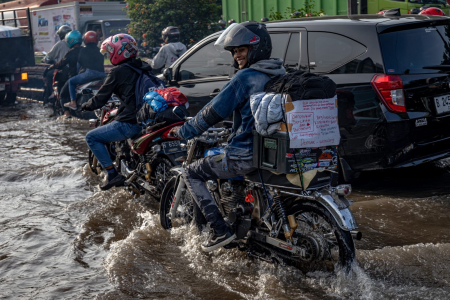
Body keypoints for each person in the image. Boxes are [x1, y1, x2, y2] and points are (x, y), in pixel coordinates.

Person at [170, 21, 286, 252]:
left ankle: (220, 230)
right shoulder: (280, 72)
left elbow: (212, 112)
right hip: (274, 151)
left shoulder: (246, 78)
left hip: (246, 153)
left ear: (256, 48)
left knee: (192, 172)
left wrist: (185, 130)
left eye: (241, 50)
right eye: (234, 51)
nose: (237, 55)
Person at [81, 34, 156, 190]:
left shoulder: (118, 72)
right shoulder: (144, 67)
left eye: (110, 52)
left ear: (117, 51)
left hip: (131, 122)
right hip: (149, 118)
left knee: (92, 137)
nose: (109, 56)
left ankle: (112, 174)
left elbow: (100, 98)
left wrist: (86, 105)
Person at [63, 31, 106, 110]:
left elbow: (79, 65)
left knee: (71, 82)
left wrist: (77, 73)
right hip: (102, 74)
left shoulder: (83, 50)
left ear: (85, 39)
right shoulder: (100, 50)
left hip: (89, 74)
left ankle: (73, 102)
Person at [47, 30, 83, 118]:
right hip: (84, 76)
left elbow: (61, 63)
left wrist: (52, 66)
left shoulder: (71, 52)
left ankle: (67, 114)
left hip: (74, 76)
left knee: (63, 94)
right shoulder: (84, 50)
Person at [42, 25, 72, 103]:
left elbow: (49, 57)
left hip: (63, 70)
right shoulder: (75, 44)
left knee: (49, 74)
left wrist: (44, 59)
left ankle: (53, 92)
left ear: (61, 35)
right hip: (75, 70)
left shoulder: (60, 44)